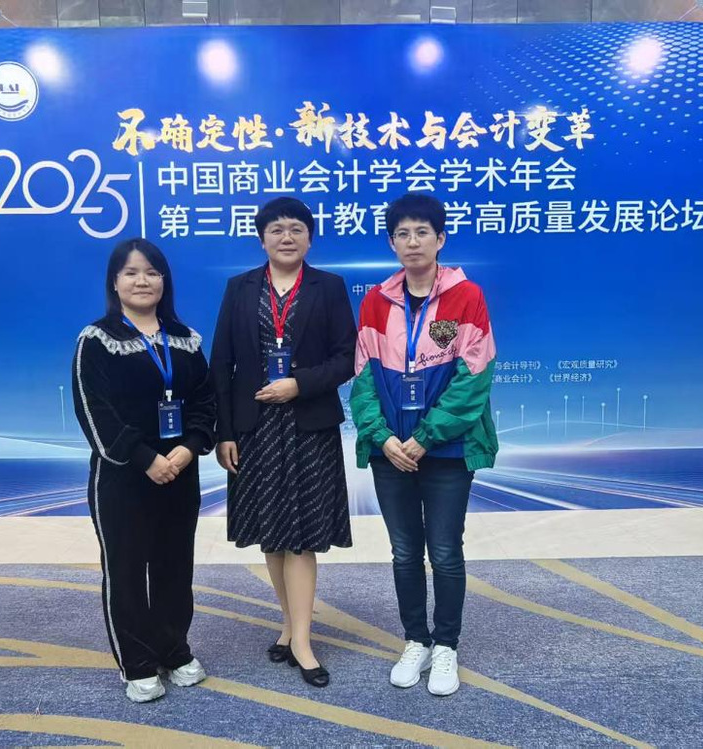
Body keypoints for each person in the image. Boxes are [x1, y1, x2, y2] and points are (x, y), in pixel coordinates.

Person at [350, 193, 498, 696]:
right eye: (402, 234)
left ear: (440, 239)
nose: (412, 242)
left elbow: (474, 378)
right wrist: (384, 438)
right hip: (390, 452)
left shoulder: (466, 297)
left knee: (446, 551)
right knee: (404, 552)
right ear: (391, 243)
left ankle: (446, 645)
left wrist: (425, 438)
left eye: (422, 232)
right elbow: (362, 380)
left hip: (447, 451)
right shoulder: (375, 301)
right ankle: (416, 640)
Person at [211, 197, 356, 688]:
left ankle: (303, 642)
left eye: (296, 228)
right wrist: (224, 432)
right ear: (262, 239)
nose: (286, 236)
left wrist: (300, 383)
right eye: (276, 229)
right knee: (271, 535)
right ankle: (289, 625)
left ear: (310, 238)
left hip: (308, 426)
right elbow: (221, 364)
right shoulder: (239, 288)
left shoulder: (328, 287)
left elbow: (347, 358)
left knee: (303, 537)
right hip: (254, 429)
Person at [72, 238, 216, 703]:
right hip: (123, 478)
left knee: (175, 566)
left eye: (152, 272)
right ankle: (135, 663)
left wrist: (189, 448)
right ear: (114, 282)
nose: (142, 281)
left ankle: (174, 650)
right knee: (127, 569)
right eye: (131, 273)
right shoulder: (97, 340)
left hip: (180, 472)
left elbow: (205, 401)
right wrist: (145, 458)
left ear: (164, 281)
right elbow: (95, 412)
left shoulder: (186, 339)